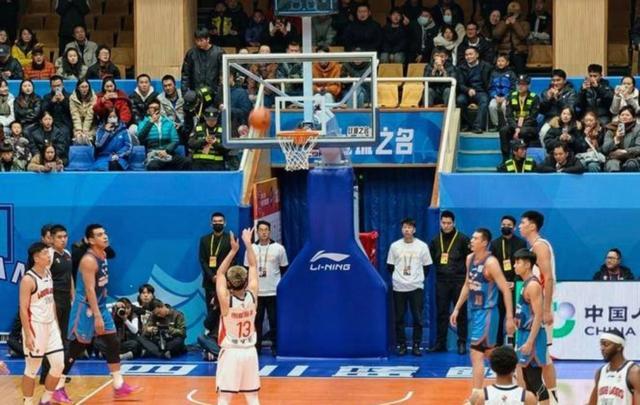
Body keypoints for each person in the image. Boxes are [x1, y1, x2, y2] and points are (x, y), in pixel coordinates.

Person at [58, 224, 141, 402]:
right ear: (90, 240)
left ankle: (118, 384)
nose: (105, 236)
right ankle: (58, 385)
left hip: (100, 305)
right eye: (99, 234)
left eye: (105, 233)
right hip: (85, 309)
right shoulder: (88, 260)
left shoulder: (103, 254)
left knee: (113, 341)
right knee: (77, 347)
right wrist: (97, 316)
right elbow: (89, 290)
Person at [450, 228, 515, 404]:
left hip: (488, 313)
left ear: (484, 242)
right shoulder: (469, 259)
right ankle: (513, 377)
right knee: (490, 353)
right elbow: (467, 285)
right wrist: (457, 309)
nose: (471, 240)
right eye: (472, 237)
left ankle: (476, 398)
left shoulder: (491, 262)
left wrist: (509, 317)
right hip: (475, 312)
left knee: (476, 354)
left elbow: (505, 289)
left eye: (475, 238)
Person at [215, 228, 260, 405]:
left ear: (229, 283)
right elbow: (254, 266)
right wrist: (248, 244)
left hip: (231, 353)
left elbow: (219, 273)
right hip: (250, 352)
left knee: (224, 397)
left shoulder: (226, 301)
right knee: (253, 397)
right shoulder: (253, 295)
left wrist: (233, 250)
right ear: (245, 280)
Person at [518, 210, 559, 404]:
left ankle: (550, 396)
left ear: (532, 226)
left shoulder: (540, 246)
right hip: (532, 308)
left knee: (542, 358)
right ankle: (546, 396)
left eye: (523, 223)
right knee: (541, 357)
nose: (519, 226)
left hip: (540, 309)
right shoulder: (533, 247)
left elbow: (548, 278)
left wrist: (546, 309)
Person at [19, 242, 64, 405]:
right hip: (35, 327)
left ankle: (45, 400)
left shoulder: (48, 272)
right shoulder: (28, 279)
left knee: (58, 365)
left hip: (51, 325)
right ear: (36, 258)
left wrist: (56, 324)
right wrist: (28, 334)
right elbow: (23, 309)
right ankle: (28, 402)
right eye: (45, 253)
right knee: (32, 370)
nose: (49, 256)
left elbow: (51, 301)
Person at [387, 217, 432, 356]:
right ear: (401, 230)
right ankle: (402, 345)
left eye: (409, 227)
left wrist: (416, 279)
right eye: (405, 227)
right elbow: (390, 266)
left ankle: (416, 345)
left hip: (416, 287)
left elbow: (427, 267)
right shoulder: (395, 246)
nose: (407, 230)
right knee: (399, 318)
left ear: (414, 230)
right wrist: (400, 279)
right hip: (399, 288)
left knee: (417, 318)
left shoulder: (422, 246)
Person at [243, 220, 288, 356]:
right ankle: (256, 348)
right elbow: (246, 270)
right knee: (257, 321)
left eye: (266, 230)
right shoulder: (251, 248)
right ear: (257, 232)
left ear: (270, 231)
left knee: (274, 321)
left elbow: (284, 270)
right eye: (261, 230)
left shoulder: (279, 248)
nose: (263, 232)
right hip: (256, 293)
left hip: (273, 291)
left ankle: (276, 346)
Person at [429, 210, 471, 354]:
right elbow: (432, 259)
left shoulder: (463, 239)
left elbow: (469, 260)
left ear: (454, 223)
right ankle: (441, 343)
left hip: (459, 280)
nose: (446, 226)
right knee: (441, 312)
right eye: (444, 223)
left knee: (461, 312)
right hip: (441, 280)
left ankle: (462, 342)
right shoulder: (435, 240)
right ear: (440, 223)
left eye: (449, 223)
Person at [512, 249, 550, 404]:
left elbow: (538, 316)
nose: (514, 265)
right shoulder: (525, 283)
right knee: (528, 380)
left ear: (527, 264)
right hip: (524, 334)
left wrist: (529, 342)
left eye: (518, 262)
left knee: (535, 381)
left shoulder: (533, 285)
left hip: (532, 336)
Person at [38, 225, 73, 385]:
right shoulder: (49, 255)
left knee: (64, 338)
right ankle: (45, 375)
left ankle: (57, 373)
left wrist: (73, 296)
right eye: (59, 237)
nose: (63, 240)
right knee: (52, 338)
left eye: (65, 236)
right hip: (53, 301)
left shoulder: (67, 254)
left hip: (66, 301)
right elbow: (43, 279)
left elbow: (69, 277)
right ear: (51, 239)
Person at [490, 216, 526, 346]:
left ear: (514, 227)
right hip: (500, 285)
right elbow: (492, 265)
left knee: (516, 315)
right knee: (500, 315)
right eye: (503, 224)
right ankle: (498, 343)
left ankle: (516, 342)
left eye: (509, 225)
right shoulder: (495, 244)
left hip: (516, 285)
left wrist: (514, 283)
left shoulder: (521, 243)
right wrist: (501, 283)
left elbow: (523, 265)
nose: (506, 227)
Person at [198, 212, 234, 338]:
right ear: (211, 223)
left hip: (226, 283)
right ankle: (211, 337)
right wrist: (212, 276)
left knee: (225, 309)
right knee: (211, 310)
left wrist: (222, 277)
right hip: (210, 282)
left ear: (225, 223)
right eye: (215, 221)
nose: (217, 223)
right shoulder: (204, 240)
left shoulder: (230, 239)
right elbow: (202, 260)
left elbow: (233, 260)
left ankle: (225, 336)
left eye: (220, 221)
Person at [587, 330, 640, 405]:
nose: (602, 348)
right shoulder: (600, 372)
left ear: (619, 347)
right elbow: (592, 403)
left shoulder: (633, 372)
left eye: (606, 344)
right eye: (601, 345)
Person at [137, 99, 190, 171]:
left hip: (168, 153)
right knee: (153, 166)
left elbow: (175, 140)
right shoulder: (143, 123)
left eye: (157, 108)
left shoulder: (169, 122)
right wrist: (150, 122)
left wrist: (166, 151)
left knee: (187, 162)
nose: (155, 110)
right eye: (152, 108)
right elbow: (140, 137)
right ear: (148, 111)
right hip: (154, 154)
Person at [456, 47, 492, 133]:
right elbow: (460, 84)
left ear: (477, 55)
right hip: (466, 92)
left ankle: (477, 126)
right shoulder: (461, 67)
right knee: (460, 100)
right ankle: (466, 125)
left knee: (484, 100)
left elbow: (490, 82)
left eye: (470, 54)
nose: (468, 57)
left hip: (481, 91)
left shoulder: (486, 66)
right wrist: (468, 90)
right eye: (466, 55)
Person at [181, 27, 224, 96]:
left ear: (208, 39)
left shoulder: (219, 53)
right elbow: (185, 74)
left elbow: (222, 74)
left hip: (214, 93)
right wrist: (185, 92)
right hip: (195, 93)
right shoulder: (191, 53)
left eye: (201, 40)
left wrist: (219, 93)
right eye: (197, 40)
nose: (198, 43)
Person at [539, 69, 576, 142]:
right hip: (550, 120)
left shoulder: (571, 92)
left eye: (558, 80)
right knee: (543, 132)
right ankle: (546, 149)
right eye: (553, 80)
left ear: (564, 81)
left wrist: (558, 98)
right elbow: (542, 110)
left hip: (565, 120)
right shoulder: (546, 92)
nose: (555, 83)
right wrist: (548, 99)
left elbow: (570, 109)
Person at [493, 1, 530, 74]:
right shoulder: (502, 22)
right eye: (511, 12)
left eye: (515, 13)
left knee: (519, 62)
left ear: (519, 13)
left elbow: (523, 36)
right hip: (504, 52)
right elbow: (496, 35)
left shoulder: (525, 23)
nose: (512, 14)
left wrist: (515, 23)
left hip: (519, 52)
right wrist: (505, 24)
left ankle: (521, 79)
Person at [602, 106, 640, 172]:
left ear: (633, 118)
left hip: (633, 157)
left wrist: (624, 151)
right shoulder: (611, 129)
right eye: (622, 115)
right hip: (614, 158)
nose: (624, 117)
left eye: (627, 115)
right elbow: (605, 149)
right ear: (619, 117)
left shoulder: (638, 129)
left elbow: (638, 148)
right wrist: (616, 138)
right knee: (612, 164)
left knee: (631, 164)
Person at [190, 106, 228, 171]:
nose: (211, 122)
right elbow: (190, 143)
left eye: (214, 120)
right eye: (209, 120)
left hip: (217, 165)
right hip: (199, 164)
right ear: (205, 117)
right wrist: (204, 141)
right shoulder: (198, 128)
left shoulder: (223, 130)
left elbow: (227, 149)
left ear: (217, 118)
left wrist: (215, 143)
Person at [488, 53, 516, 131]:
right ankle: (496, 125)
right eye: (498, 61)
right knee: (492, 106)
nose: (500, 63)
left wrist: (505, 97)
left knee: (504, 106)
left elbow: (514, 88)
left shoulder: (511, 73)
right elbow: (490, 88)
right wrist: (495, 96)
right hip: (496, 97)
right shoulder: (493, 73)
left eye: (502, 61)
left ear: (507, 63)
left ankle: (508, 125)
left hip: (507, 97)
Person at [69, 79, 97, 145]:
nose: (84, 89)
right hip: (77, 124)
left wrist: (85, 130)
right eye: (82, 87)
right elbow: (75, 114)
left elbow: (90, 115)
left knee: (87, 137)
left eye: (86, 87)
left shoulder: (94, 97)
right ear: (78, 88)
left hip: (91, 125)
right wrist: (79, 129)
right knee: (78, 137)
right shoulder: (72, 98)